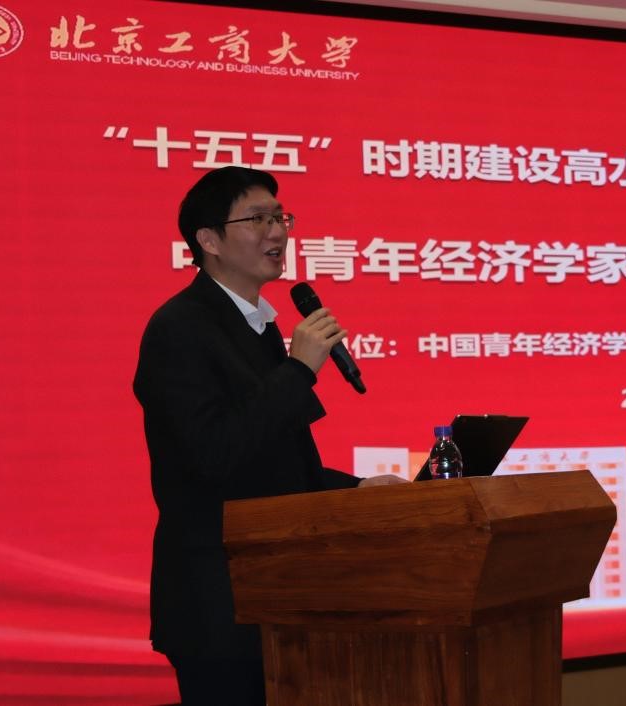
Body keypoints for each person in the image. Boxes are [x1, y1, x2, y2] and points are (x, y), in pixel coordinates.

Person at [133, 166, 404, 704]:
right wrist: (298, 370)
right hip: (219, 604)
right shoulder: (178, 329)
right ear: (208, 240)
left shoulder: (255, 324)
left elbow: (273, 464)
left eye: (281, 217)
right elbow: (213, 455)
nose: (277, 231)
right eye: (257, 219)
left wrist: (357, 490)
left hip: (279, 594)